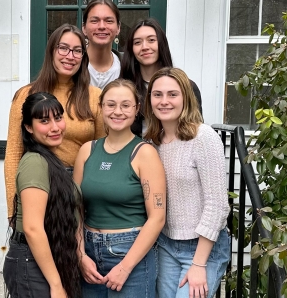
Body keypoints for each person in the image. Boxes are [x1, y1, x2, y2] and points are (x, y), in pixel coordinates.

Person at [73, 79, 166, 297]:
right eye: (111, 104)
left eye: (126, 105)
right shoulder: (87, 151)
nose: (118, 111)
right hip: (89, 256)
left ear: (136, 109)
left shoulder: (145, 154)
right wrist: (80, 255)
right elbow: (75, 208)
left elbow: (157, 218)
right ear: (101, 107)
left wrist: (125, 267)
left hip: (130, 253)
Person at [144, 67, 230, 298]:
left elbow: (218, 205)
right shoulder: (152, 142)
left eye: (173, 94)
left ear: (186, 98)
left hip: (203, 248)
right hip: (166, 245)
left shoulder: (203, 137)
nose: (164, 101)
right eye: (157, 94)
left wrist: (199, 264)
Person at [4, 24, 104, 211]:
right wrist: (13, 207)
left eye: (77, 51)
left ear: (83, 57)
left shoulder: (95, 97)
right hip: (38, 184)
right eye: (63, 48)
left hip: (81, 188)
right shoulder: (26, 95)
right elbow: (13, 154)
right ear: (52, 51)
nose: (70, 56)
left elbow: (101, 152)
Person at [4, 92, 82, 298]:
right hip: (31, 263)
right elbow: (32, 228)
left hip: (44, 259)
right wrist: (56, 286)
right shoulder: (34, 163)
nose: (55, 127)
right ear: (29, 127)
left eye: (58, 118)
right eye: (44, 121)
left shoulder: (49, 160)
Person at [120, 18, 203, 136]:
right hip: (136, 153)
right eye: (137, 42)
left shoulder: (186, 86)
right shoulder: (123, 89)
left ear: (161, 43)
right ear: (131, 49)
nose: (144, 47)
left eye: (151, 40)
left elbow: (196, 129)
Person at [83, 0, 122, 89]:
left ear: (118, 28)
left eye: (109, 21)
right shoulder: (72, 66)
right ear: (84, 28)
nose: (102, 26)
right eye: (94, 21)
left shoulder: (127, 69)